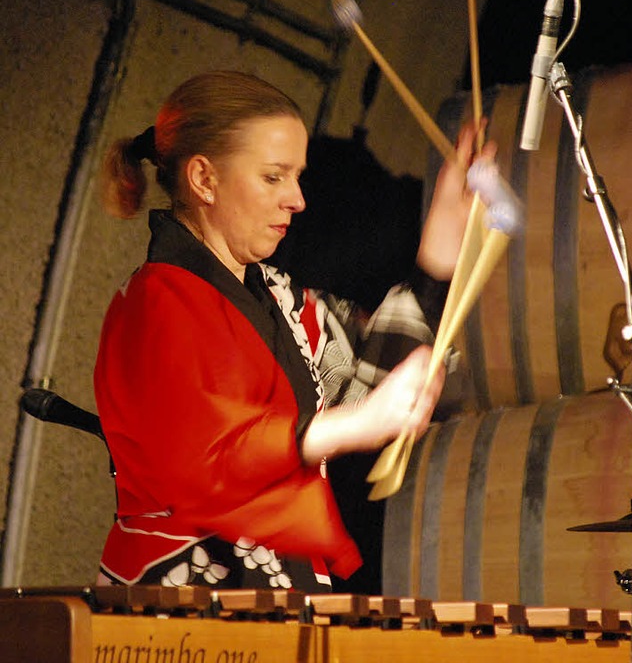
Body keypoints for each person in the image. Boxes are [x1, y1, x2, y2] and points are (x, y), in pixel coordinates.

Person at [94, 70, 490, 590]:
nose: (297, 199)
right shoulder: (153, 304)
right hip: (186, 596)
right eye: (274, 177)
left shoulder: (279, 297)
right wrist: (356, 423)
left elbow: (366, 379)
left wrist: (437, 258)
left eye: (297, 177)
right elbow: (207, 453)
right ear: (204, 179)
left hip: (277, 592)